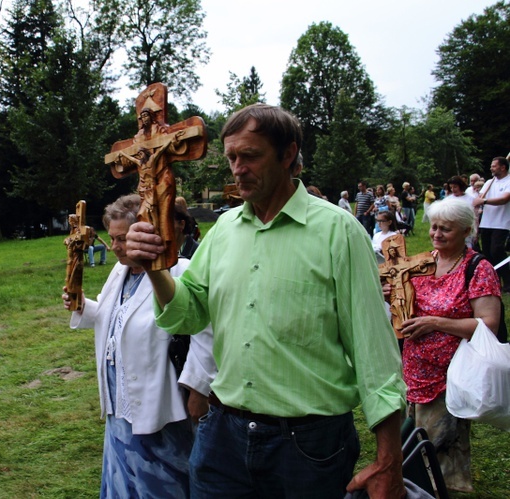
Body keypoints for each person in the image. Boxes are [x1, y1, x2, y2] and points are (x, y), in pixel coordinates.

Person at [127, 104, 407, 498]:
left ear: (288, 154)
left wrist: (388, 460)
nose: (237, 168)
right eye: (231, 158)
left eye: (250, 156)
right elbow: (188, 315)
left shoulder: (337, 231)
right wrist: (155, 268)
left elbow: (375, 352)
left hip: (309, 447)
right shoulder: (224, 229)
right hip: (222, 436)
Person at [62, 193, 216, 499]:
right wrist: (81, 307)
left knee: (162, 483)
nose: (116, 246)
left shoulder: (177, 270)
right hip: (120, 404)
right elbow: (112, 317)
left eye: (122, 238)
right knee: (124, 484)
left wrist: (199, 388)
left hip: (160, 401)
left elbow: (205, 332)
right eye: (112, 238)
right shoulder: (119, 271)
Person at [394, 197, 502, 493]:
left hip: (451, 376)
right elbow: (404, 305)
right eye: (433, 227)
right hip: (413, 372)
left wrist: (435, 322)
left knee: (440, 449)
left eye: (446, 229)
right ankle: (415, 488)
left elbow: (487, 324)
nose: (436, 234)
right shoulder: (422, 263)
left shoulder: (478, 268)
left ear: (467, 231)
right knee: (411, 443)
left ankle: (441, 490)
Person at [473, 156, 510, 292]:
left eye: (494, 166)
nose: (491, 168)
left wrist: (484, 201)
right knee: (488, 254)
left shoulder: (509, 181)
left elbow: (504, 199)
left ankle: (507, 280)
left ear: (503, 167)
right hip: (486, 222)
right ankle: (494, 281)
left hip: (501, 222)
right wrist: (479, 200)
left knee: (497, 250)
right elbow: (480, 198)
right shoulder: (489, 182)